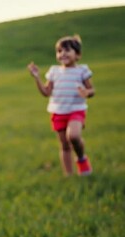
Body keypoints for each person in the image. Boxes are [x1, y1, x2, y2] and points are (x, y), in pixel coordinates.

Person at [27, 35, 95, 176]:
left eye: (67, 50)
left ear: (77, 55)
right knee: (64, 145)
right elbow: (46, 92)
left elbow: (92, 90)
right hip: (58, 112)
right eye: (59, 51)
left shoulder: (82, 71)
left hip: (76, 110)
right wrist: (37, 78)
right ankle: (69, 175)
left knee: (74, 136)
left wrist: (86, 92)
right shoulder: (54, 72)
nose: (62, 53)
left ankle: (82, 159)